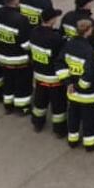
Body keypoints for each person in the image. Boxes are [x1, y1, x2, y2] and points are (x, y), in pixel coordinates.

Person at [63, 18, 94, 152]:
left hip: (71, 91)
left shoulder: (69, 44)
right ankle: (91, 143)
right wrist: (80, 86)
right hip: (85, 93)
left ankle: (72, 139)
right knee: (89, 119)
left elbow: (60, 63)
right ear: (88, 31)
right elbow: (88, 73)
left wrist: (69, 83)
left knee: (73, 115)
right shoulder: (88, 50)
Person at [28, 7, 68, 135]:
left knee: (39, 102)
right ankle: (59, 129)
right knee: (58, 106)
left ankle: (37, 123)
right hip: (54, 79)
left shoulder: (34, 32)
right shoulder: (55, 39)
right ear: (51, 20)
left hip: (39, 76)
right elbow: (62, 57)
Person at [0, 0, 31, 113]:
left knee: (8, 81)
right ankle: (22, 107)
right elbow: (25, 44)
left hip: (3, 56)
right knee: (22, 83)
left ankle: (8, 105)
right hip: (18, 59)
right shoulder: (21, 19)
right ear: (15, 0)